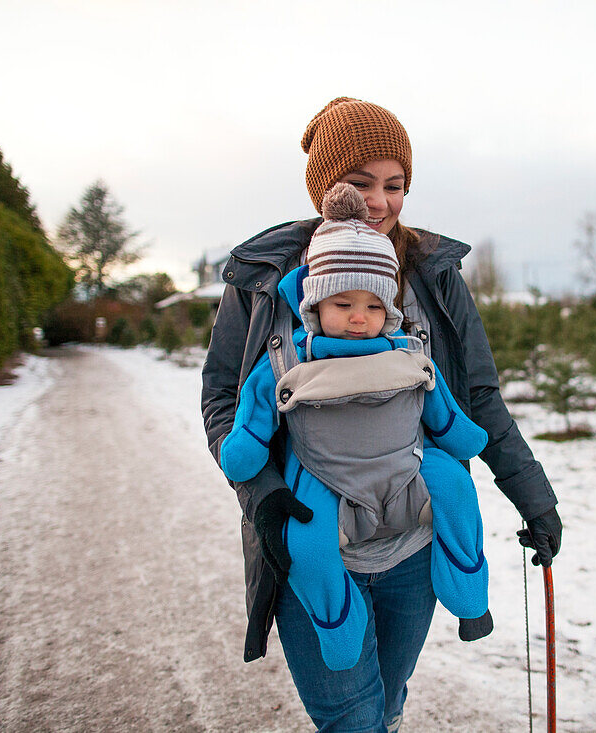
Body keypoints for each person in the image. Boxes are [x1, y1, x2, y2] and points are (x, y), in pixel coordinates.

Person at [202, 96, 563, 732]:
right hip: (313, 535)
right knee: (352, 717)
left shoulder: (433, 276)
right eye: (360, 182)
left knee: (389, 700)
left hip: (413, 546)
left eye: (394, 185)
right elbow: (225, 400)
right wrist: (261, 492)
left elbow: (475, 397)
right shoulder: (264, 277)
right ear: (326, 189)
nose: (380, 201)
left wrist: (533, 497)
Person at [218, 181, 494, 672]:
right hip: (324, 475)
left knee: (455, 485)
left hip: (406, 462)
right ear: (315, 305)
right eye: (343, 306)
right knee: (307, 540)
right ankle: (337, 624)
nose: (359, 319)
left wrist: (461, 436)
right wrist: (247, 454)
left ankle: (469, 592)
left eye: (373, 307)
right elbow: (253, 404)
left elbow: (439, 402)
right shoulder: (291, 356)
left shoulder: (406, 350)